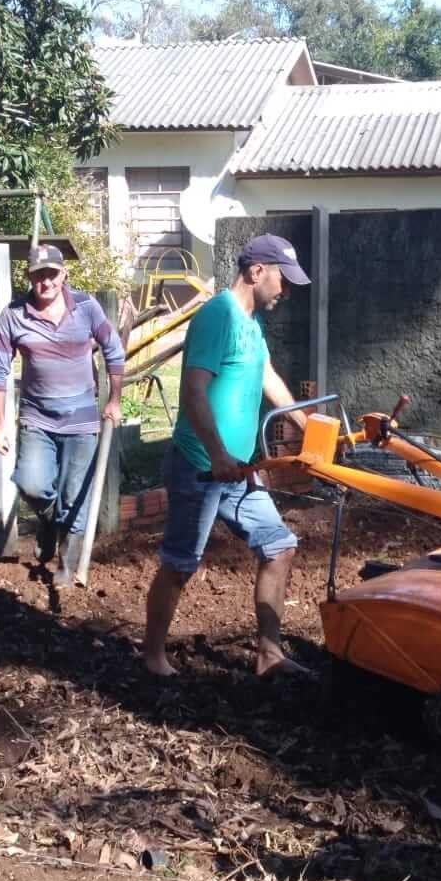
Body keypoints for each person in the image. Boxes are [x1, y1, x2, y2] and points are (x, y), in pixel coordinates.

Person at [143, 234, 312, 678]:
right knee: (180, 564)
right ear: (257, 272)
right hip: (201, 465)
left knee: (279, 547)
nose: (287, 291)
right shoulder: (218, 316)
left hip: (238, 469)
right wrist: (217, 454)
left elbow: (266, 375)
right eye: (284, 280)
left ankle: (269, 655)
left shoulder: (252, 322)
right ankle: (152, 656)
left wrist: (304, 426)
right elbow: (194, 389)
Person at [0, 244, 124, 586]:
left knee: (77, 492)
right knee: (32, 482)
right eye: (38, 275)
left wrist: (115, 399)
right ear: (29, 277)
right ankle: (48, 520)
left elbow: (113, 350)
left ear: (64, 275)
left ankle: (66, 562)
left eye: (52, 274)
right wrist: (1, 423)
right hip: (37, 418)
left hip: (82, 419)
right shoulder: (14, 315)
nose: (45, 282)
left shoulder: (87, 308)